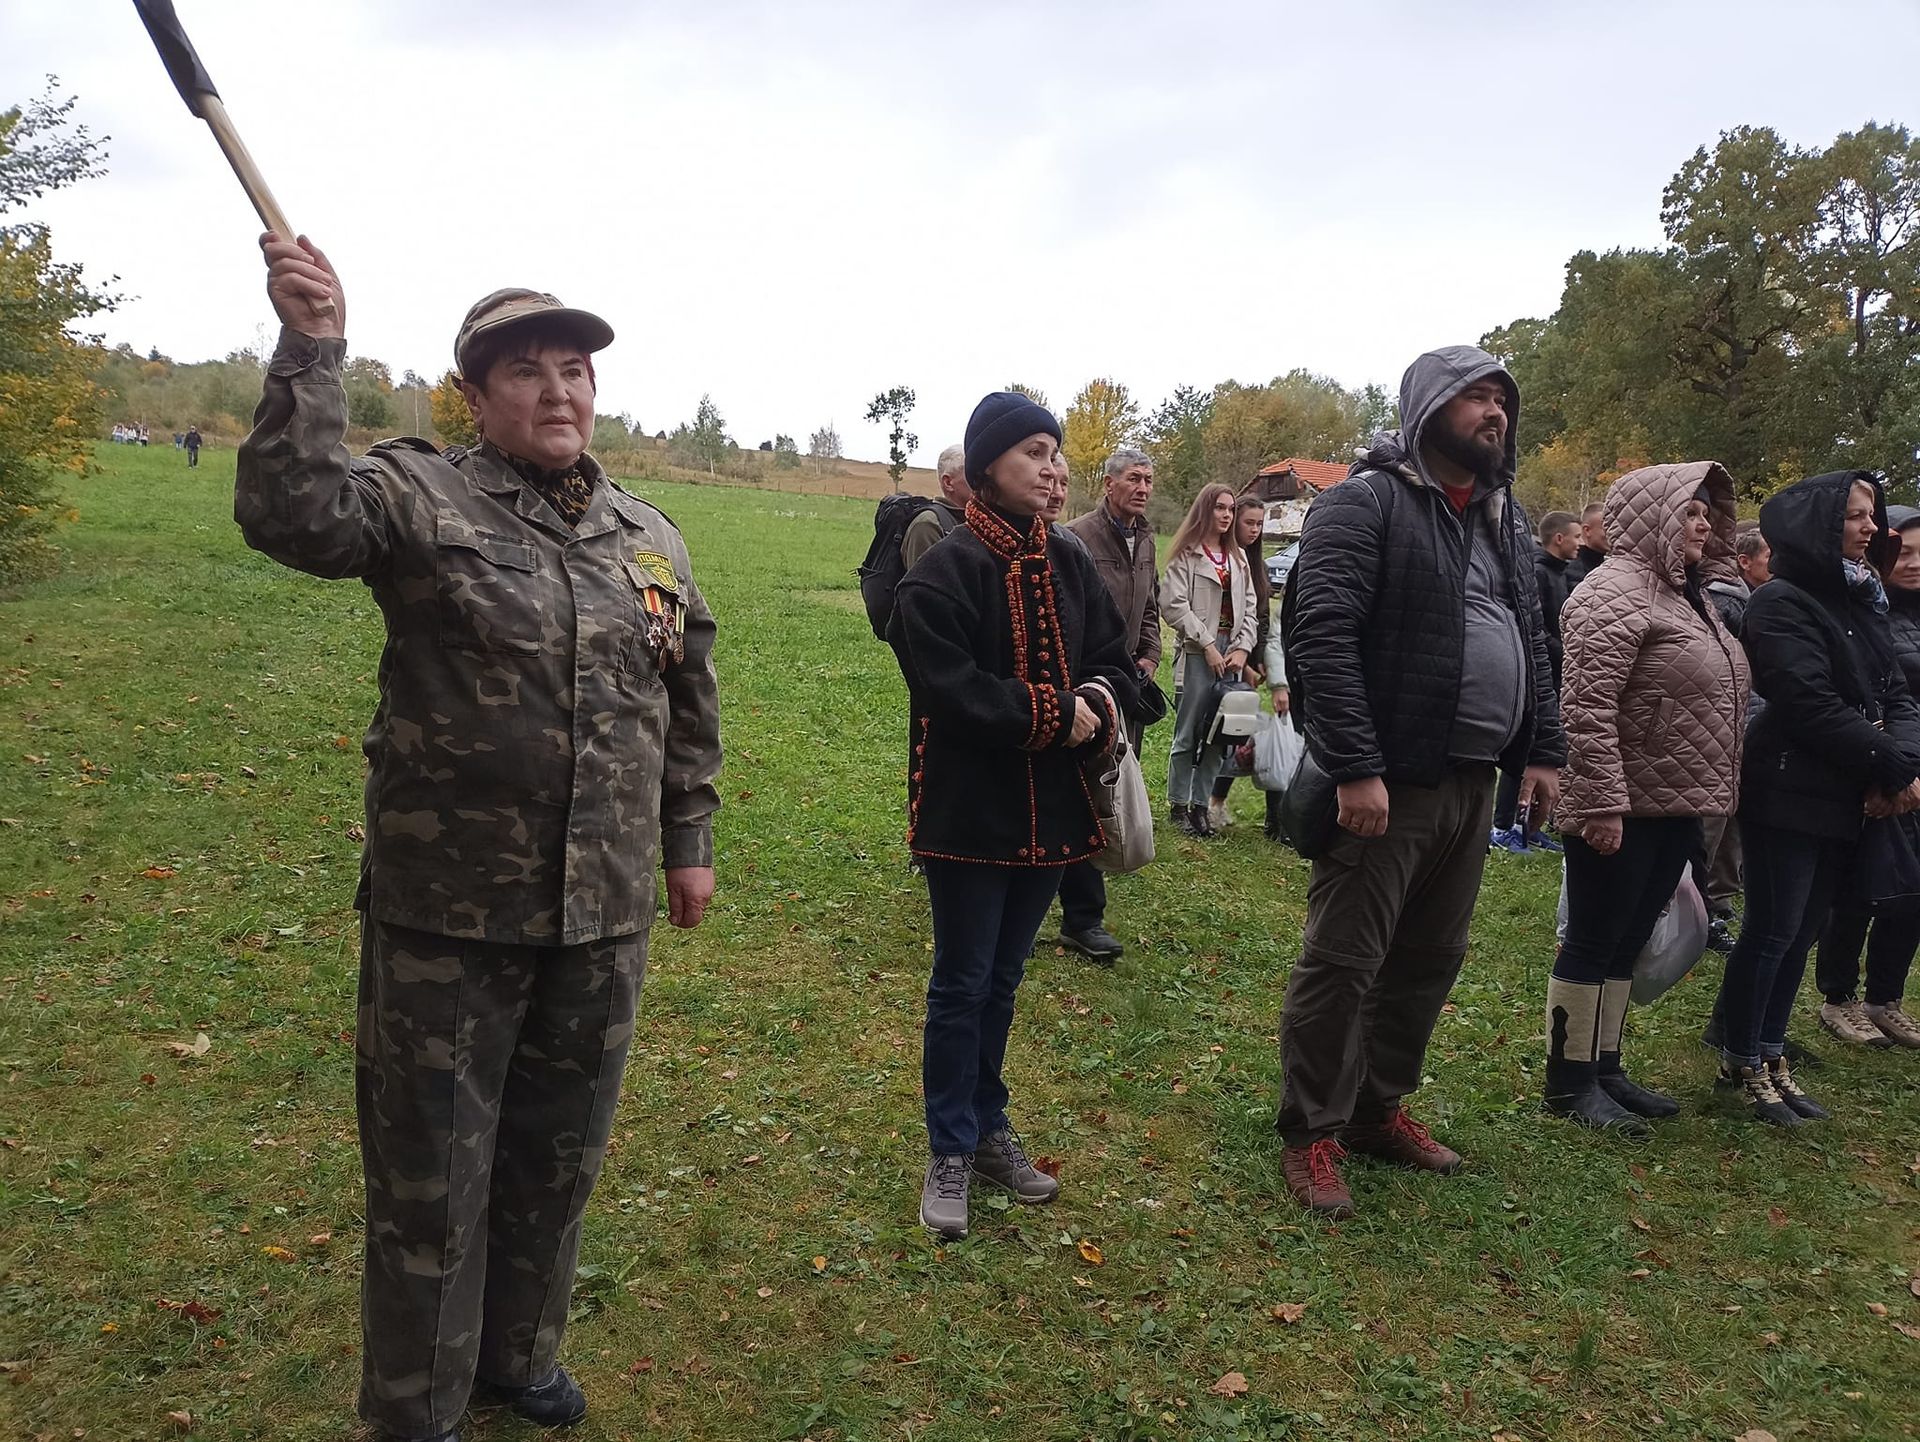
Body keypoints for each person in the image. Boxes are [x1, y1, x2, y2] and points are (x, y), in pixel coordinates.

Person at [235, 235, 722, 1442]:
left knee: (557, 1161)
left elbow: (689, 691)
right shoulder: (417, 495)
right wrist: (311, 349)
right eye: (528, 372)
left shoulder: (648, 535)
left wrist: (687, 832)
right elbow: (291, 515)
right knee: (429, 1183)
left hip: (601, 912)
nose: (560, 390)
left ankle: (517, 1355)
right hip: (448, 913)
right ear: (476, 393)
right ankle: (416, 1407)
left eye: (576, 370)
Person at [1277, 344, 1564, 1218]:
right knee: (1346, 960)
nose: (1494, 414)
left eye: (1501, 400)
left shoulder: (1504, 520)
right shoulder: (1366, 506)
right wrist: (1359, 768)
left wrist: (1543, 749)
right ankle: (1312, 1130)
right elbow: (1320, 638)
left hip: (1473, 783)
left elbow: (1532, 641)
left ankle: (1375, 1110)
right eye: (1475, 397)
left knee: (1431, 958)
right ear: (1429, 407)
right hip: (1388, 787)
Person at [888, 391, 1139, 1240]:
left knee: (1003, 979)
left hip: (1054, 817)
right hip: (969, 814)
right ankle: (949, 1147)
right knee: (961, 983)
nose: (1054, 468)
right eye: (1035, 451)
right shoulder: (942, 572)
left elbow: (1114, 655)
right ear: (988, 465)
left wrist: (1100, 696)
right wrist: (1045, 713)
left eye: (1058, 453)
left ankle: (989, 1126)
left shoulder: (1069, 561)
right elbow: (947, 690)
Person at [1546, 463, 1748, 1133]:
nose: (1702, 523)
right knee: (1594, 939)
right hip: (1622, 800)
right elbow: (1586, 706)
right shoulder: (1613, 592)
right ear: (1650, 516)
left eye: (1706, 513)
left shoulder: (1687, 594)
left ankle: (1605, 1067)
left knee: (1629, 938)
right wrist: (1602, 801)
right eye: (1689, 511)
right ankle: (1568, 1081)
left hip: (1673, 799)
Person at [1718, 471, 1920, 1125]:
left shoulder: (1859, 600)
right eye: (1856, 516)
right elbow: (1809, 703)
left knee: (1802, 932)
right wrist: (1891, 764)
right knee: (1773, 930)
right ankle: (1743, 1060)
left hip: (1842, 793)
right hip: (1787, 788)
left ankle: (1770, 1051)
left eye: (1872, 514)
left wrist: (1904, 763)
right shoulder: (1781, 601)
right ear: (1818, 525)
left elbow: (1894, 692)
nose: (1873, 528)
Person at [1814, 504, 1920, 1049]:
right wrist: (1896, 769)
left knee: (1912, 892)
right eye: (1905, 550)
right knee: (1859, 889)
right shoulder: (1865, 609)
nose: (1914, 562)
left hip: (1913, 765)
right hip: (1879, 766)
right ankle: (1839, 996)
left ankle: (1886, 997)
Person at [1053, 447, 1162, 963]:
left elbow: (1151, 606)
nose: (1143, 488)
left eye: (1148, 480)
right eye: (1134, 479)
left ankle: (1080, 908)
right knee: (1076, 795)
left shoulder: (1145, 539)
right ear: (1108, 483)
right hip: (1083, 685)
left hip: (1127, 685)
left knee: (1111, 788)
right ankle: (1081, 916)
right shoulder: (1076, 536)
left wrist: (1150, 655)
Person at [1162, 484, 1258, 837]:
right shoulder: (1186, 554)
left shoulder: (1238, 558)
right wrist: (1206, 644)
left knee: (1222, 733)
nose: (1227, 515)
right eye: (1220, 508)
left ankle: (1201, 807)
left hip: (1231, 654)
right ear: (1206, 510)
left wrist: (1243, 648)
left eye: (1231, 509)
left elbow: (1251, 608)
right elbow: (1173, 604)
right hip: (1197, 653)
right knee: (1188, 734)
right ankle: (1179, 805)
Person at [1491, 509, 1578, 851]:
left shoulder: (1560, 573)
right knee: (1521, 749)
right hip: (1535, 672)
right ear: (1559, 538)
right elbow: (1534, 628)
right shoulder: (1539, 573)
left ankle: (1526, 824)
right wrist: (1564, 650)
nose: (1580, 543)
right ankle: (1503, 826)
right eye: (1577, 536)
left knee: (1536, 750)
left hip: (1551, 673)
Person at [1208, 493, 1275, 830]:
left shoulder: (1258, 565)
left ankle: (1216, 802)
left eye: (1259, 525)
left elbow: (1260, 618)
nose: (1254, 530)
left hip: (1248, 658)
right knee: (1218, 729)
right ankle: (1204, 801)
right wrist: (1242, 658)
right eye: (1248, 522)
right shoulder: (1220, 561)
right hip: (1221, 653)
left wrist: (1257, 658)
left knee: (1238, 730)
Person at [901, 443, 970, 570]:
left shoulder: (976, 521)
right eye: (971, 474)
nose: (980, 480)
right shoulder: (928, 525)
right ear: (948, 483)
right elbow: (923, 585)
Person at [1567, 500, 1608, 588]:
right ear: (1587, 530)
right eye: (1606, 528)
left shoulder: (1609, 566)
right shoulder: (1572, 571)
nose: (1612, 533)